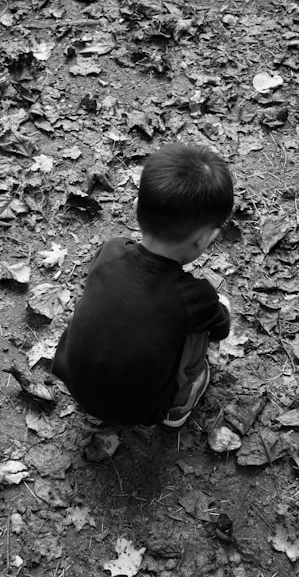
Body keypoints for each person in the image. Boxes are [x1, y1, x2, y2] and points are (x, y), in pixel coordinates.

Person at [52, 143, 234, 427]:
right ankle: (178, 407)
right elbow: (221, 329)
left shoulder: (112, 250)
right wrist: (218, 307)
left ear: (136, 209)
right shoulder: (194, 297)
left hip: (74, 383)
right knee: (200, 328)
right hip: (140, 411)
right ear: (206, 239)